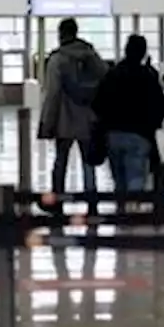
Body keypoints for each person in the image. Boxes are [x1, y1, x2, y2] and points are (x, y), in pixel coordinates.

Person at [39, 18, 109, 204]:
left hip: (64, 120)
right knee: (88, 162)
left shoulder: (57, 59)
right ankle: (91, 198)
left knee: (60, 160)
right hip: (88, 119)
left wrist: (47, 123)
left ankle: (57, 199)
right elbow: (105, 83)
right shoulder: (92, 56)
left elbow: (52, 94)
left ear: (61, 34)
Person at [92, 34, 164, 197]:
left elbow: (98, 103)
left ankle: (122, 214)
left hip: (114, 135)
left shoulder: (112, 74)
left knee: (119, 181)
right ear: (143, 52)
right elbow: (159, 106)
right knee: (136, 179)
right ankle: (133, 216)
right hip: (140, 135)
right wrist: (153, 125)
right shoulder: (148, 76)